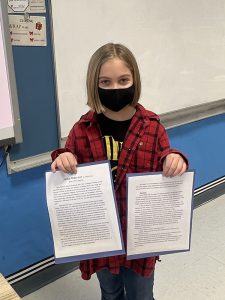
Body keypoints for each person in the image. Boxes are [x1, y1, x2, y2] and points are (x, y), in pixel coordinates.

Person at [51, 43, 188, 300]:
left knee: (141, 294)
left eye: (123, 80)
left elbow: (165, 159)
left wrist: (175, 159)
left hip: (140, 238)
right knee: (110, 292)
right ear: (95, 84)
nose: (115, 89)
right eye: (106, 82)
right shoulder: (82, 130)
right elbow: (67, 159)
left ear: (134, 79)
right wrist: (64, 157)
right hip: (101, 238)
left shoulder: (152, 127)